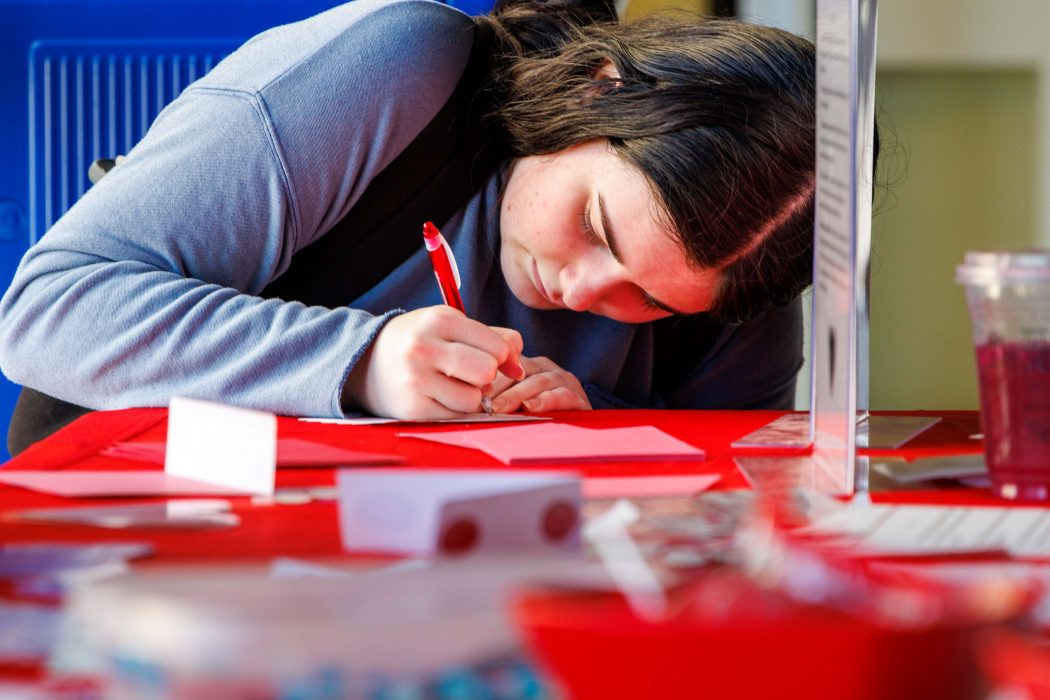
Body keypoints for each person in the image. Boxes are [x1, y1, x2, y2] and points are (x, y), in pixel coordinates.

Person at [0, 0, 831, 455]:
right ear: (595, 91)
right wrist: (361, 363)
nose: (579, 293)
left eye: (648, 298)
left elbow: (725, 517)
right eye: (594, 226)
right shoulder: (403, 70)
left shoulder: (744, 276)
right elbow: (46, 311)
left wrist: (596, 420)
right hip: (145, 553)